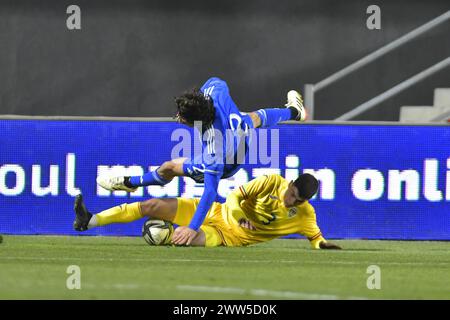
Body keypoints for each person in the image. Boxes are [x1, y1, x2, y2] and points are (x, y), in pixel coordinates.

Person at [83, 77, 307, 246]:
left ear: (198, 121)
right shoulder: (214, 90)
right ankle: (294, 112)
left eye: (183, 119)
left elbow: (210, 193)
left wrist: (192, 228)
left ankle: (131, 182)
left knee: (169, 167)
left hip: (230, 161)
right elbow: (217, 80)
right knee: (252, 119)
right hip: (236, 131)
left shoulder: (214, 151)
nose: (179, 120)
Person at [73, 173, 341, 249]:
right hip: (214, 211)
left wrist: (322, 245)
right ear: (291, 183)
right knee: (150, 206)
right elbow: (236, 195)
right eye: (293, 195)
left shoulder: (305, 215)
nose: (291, 202)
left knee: (187, 238)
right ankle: (90, 220)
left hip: (228, 237)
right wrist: (239, 216)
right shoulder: (272, 181)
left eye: (298, 201)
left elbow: (316, 238)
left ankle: (164, 237)